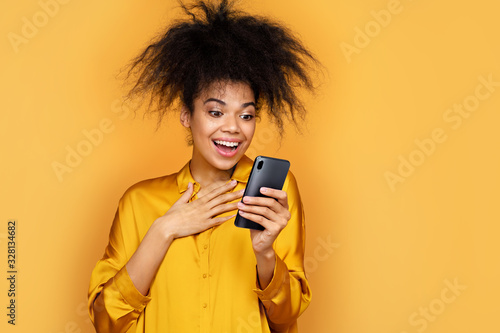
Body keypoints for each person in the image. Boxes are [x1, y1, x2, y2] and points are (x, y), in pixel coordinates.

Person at [88, 1, 319, 332]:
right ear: (187, 115)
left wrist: (265, 253)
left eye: (246, 114)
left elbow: (285, 319)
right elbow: (106, 321)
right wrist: (164, 229)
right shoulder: (139, 202)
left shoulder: (272, 194)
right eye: (215, 112)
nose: (233, 128)